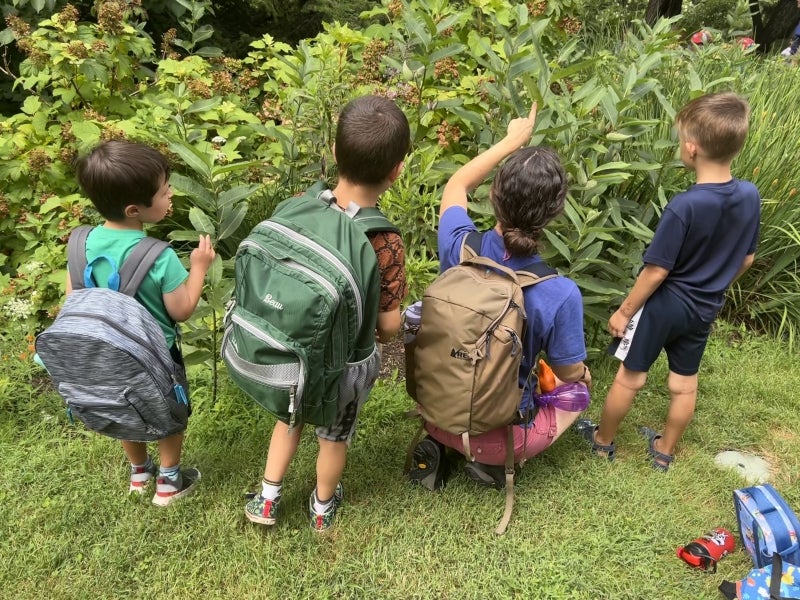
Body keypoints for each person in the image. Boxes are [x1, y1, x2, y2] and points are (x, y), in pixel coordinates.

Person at [244, 95, 409, 531]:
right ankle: (321, 509)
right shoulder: (385, 241)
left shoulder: (300, 206)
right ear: (397, 170)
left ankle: (266, 498)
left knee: (290, 419)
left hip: (292, 352)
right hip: (346, 366)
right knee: (334, 438)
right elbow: (388, 327)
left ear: (334, 153)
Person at [409, 103, 592, 490]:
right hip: (498, 437)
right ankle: (493, 462)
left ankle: (442, 445)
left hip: (434, 411)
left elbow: (457, 184)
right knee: (578, 389)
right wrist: (582, 377)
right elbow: (568, 373)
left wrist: (511, 142)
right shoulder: (560, 292)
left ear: (494, 195)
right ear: (555, 212)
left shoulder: (458, 246)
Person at [577, 92, 760, 472]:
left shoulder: (684, 206)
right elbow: (747, 258)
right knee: (684, 384)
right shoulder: (749, 195)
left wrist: (625, 312)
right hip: (704, 307)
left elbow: (656, 271)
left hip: (664, 305)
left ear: (691, 149)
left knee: (631, 377)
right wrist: (717, 286)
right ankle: (664, 450)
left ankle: (602, 441)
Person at [73, 140, 216, 505]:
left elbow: (75, 296)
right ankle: (169, 480)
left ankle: (139, 472)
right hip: (157, 354)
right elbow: (182, 309)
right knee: (170, 411)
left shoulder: (79, 245)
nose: (170, 197)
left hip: (105, 352)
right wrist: (198, 267)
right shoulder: (159, 256)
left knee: (122, 406)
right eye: (165, 193)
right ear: (134, 209)